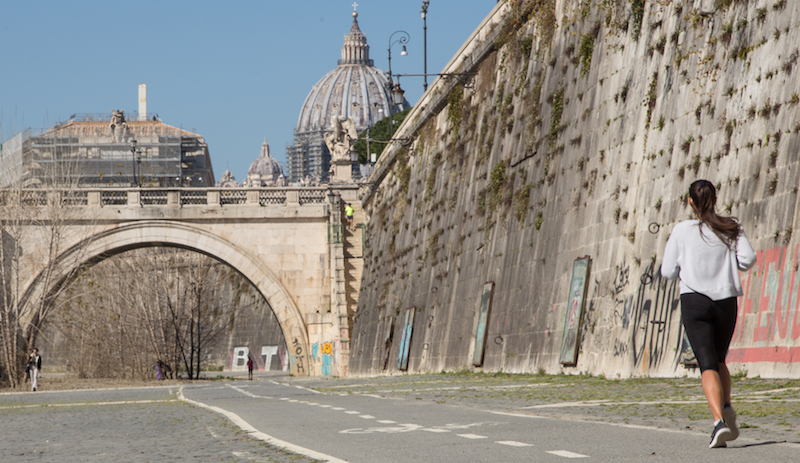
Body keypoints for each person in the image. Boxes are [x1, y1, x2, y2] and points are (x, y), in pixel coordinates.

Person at [661, 179, 757, 449]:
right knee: (719, 358)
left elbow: (667, 271)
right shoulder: (730, 227)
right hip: (725, 300)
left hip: (694, 301)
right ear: (715, 199)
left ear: (690, 201)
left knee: (706, 363)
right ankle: (726, 405)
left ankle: (718, 423)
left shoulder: (682, 230)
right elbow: (748, 259)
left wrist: (687, 266)